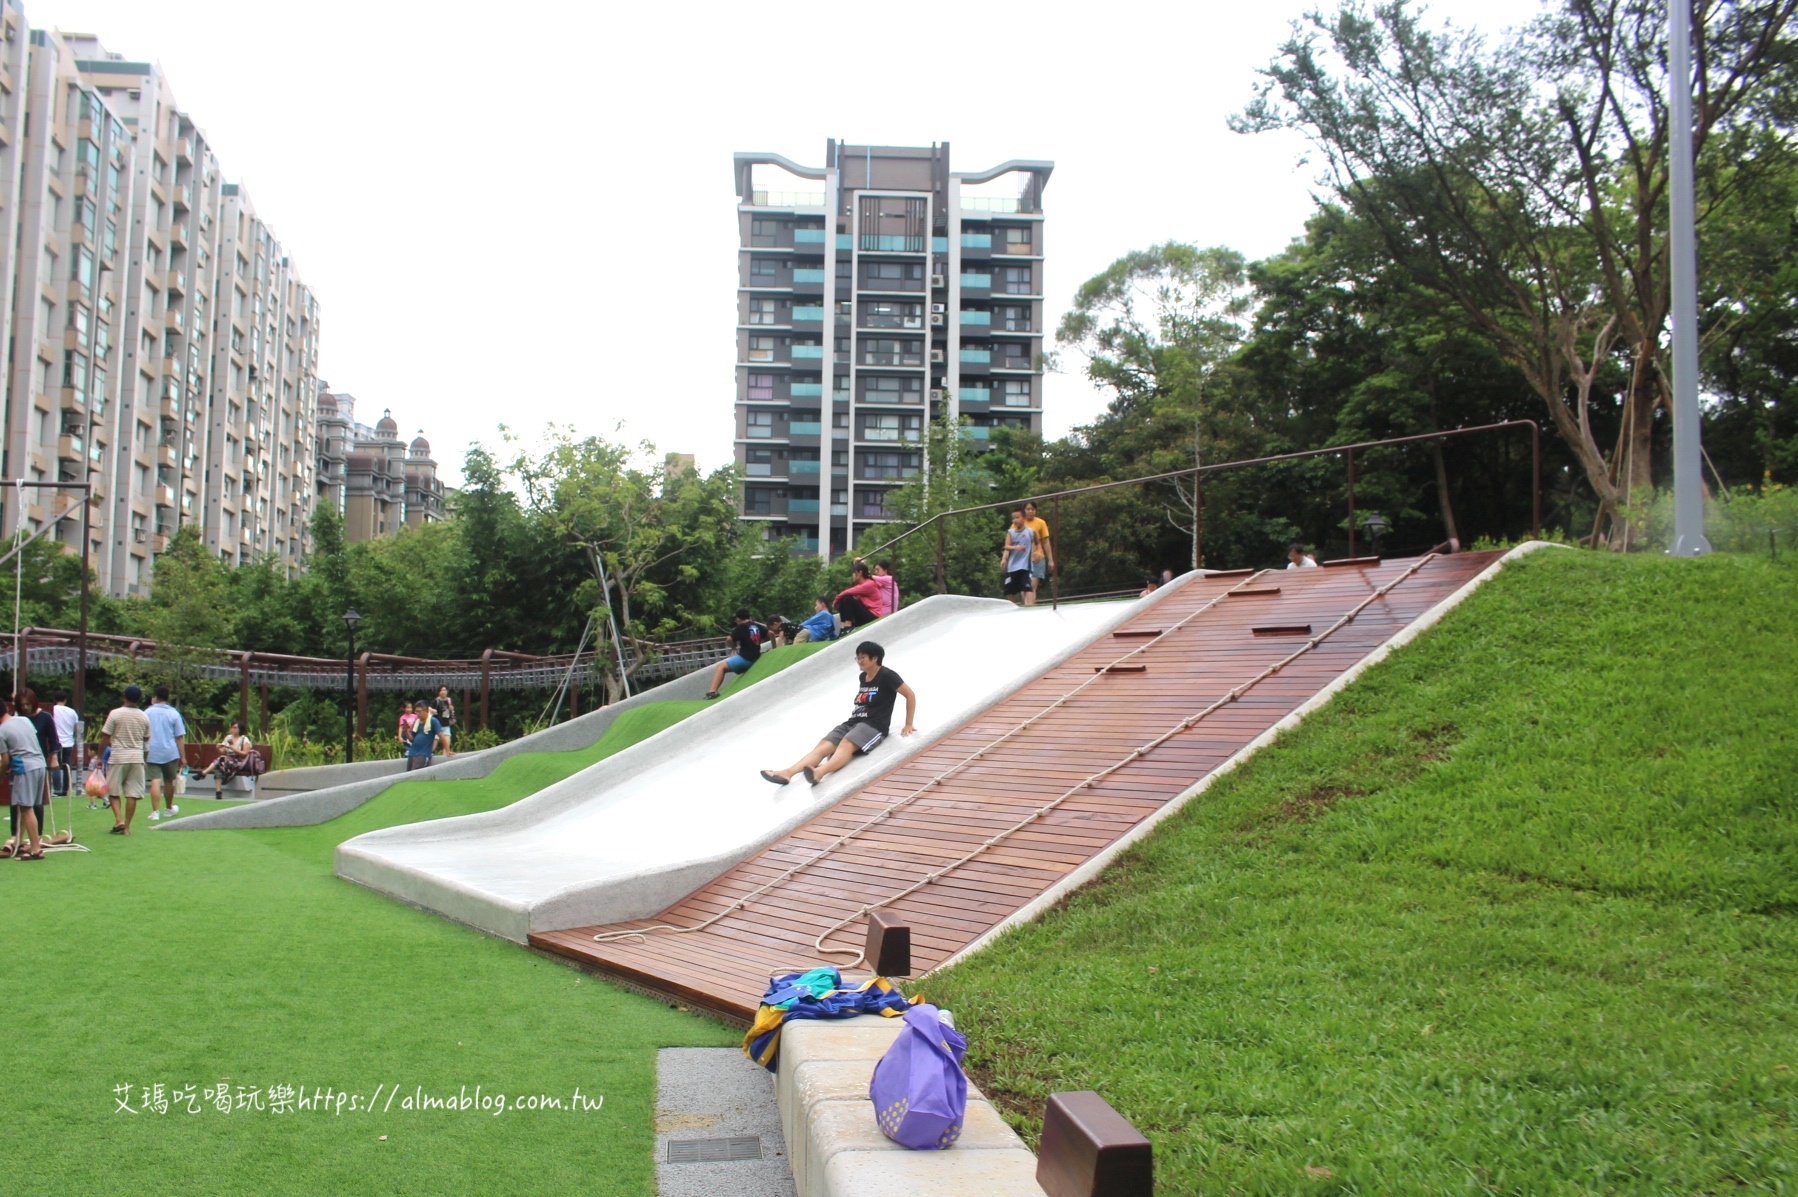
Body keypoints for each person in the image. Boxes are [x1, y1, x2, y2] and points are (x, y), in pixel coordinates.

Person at [760, 640, 916, 786]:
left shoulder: (888, 675)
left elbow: (910, 695)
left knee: (846, 743)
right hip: (854, 722)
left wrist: (908, 724)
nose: (859, 661)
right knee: (823, 746)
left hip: (874, 725)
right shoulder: (863, 677)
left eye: (863, 657)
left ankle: (819, 772)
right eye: (857, 658)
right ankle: (788, 773)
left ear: (875, 658)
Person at [100, 684, 151, 835]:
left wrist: (99, 755)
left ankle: (119, 820)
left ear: (124, 697)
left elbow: (105, 736)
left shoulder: (115, 714)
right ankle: (126, 828)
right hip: (136, 757)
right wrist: (144, 758)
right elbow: (146, 739)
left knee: (114, 791)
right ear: (140, 699)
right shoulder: (144, 716)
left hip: (118, 756)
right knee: (132, 793)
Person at [1, 699, 46, 860]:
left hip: (25, 767)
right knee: (24, 806)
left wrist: (1, 775)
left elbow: (5, 760)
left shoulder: (1, 731)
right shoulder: (24, 720)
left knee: (26, 808)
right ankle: (19, 841)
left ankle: (35, 849)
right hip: (40, 764)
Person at [706, 609, 771, 699]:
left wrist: (733, 648)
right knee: (724, 665)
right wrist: (775, 647)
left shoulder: (741, 627)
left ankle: (712, 691)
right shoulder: (756, 626)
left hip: (746, 659)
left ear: (738, 619)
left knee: (720, 667)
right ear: (749, 617)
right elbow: (771, 633)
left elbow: (729, 639)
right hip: (756, 655)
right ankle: (712, 691)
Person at [144, 685, 187, 822]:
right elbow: (179, 737)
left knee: (155, 780)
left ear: (155, 697)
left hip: (152, 750)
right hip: (170, 751)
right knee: (169, 780)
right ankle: (168, 808)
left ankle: (155, 812)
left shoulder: (148, 712)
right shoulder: (174, 713)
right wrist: (183, 756)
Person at [197, 722, 256, 797]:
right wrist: (219, 748)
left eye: (235, 727)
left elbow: (244, 754)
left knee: (221, 760)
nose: (232, 729)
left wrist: (233, 748)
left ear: (240, 729)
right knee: (219, 766)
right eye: (232, 727)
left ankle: (204, 773)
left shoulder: (244, 739)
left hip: (239, 762)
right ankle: (218, 792)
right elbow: (223, 752)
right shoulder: (228, 738)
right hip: (226, 761)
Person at [1000, 510, 1037, 605]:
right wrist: (1005, 558)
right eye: (1013, 518)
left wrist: (1038, 551)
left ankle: (1030, 607)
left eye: (1017, 517)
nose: (1015, 520)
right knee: (1009, 591)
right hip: (1012, 566)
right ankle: (1014, 608)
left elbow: (1037, 542)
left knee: (1027, 588)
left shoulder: (1030, 531)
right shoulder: (1011, 532)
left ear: (1024, 518)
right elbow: (1006, 546)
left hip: (1025, 566)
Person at [834, 563, 886, 629]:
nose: (852, 575)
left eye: (854, 573)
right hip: (865, 614)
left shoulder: (869, 584)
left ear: (860, 573)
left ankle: (848, 625)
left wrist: (836, 600)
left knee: (847, 598)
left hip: (873, 615)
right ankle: (843, 626)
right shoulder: (860, 586)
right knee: (844, 599)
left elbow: (847, 592)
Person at [1022, 502, 1055, 600]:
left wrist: (1050, 560)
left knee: (1032, 586)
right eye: (1028, 509)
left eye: (1033, 509)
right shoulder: (1019, 522)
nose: (1030, 511)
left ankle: (1030, 609)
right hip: (1023, 560)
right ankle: (1026, 608)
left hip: (1037, 559)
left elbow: (1045, 542)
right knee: (1024, 587)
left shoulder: (1041, 523)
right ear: (1024, 510)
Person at [51, 690, 79, 798]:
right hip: (69, 742)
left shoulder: (52, 710)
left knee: (56, 765)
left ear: (54, 699)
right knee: (67, 765)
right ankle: (66, 789)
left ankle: (57, 789)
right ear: (65, 700)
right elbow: (77, 727)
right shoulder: (72, 712)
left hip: (57, 741)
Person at [405, 699, 442, 771]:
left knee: (416, 774)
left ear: (426, 710)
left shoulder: (433, 721)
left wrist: (447, 750)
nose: (418, 714)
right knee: (408, 775)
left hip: (423, 753)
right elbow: (411, 738)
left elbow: (441, 736)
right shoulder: (417, 722)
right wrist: (406, 730)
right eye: (416, 712)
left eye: (419, 711)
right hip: (412, 753)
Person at [433, 686, 457, 757]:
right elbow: (429, 709)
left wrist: (451, 709)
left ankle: (443, 762)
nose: (443, 692)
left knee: (447, 746)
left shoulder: (449, 700)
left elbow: (451, 710)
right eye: (441, 690)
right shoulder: (436, 701)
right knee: (433, 746)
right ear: (439, 692)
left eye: (445, 690)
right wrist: (433, 711)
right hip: (437, 726)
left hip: (446, 725)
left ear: (447, 691)